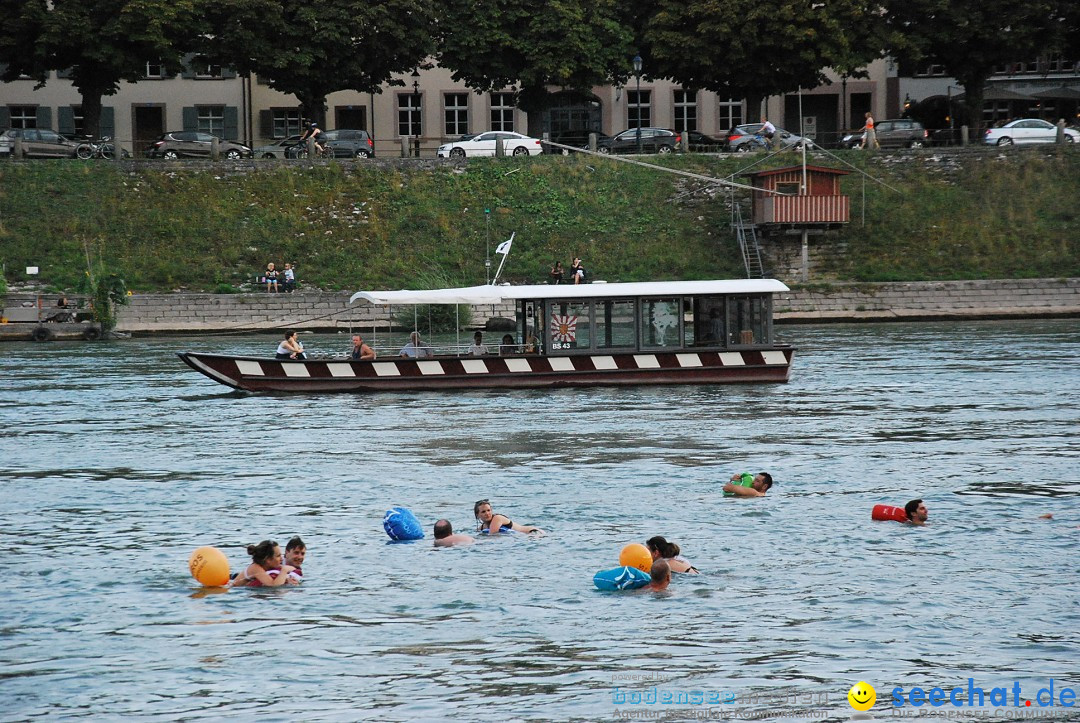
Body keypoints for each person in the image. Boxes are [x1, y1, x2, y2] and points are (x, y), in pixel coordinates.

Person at [229, 540, 298, 588]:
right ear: (268, 559)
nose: (282, 559)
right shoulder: (255, 568)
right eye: (278, 556)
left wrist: (287, 579)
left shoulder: (269, 566)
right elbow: (273, 585)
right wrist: (284, 571)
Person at [474, 499, 543, 534]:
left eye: (489, 510)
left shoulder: (497, 518)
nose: (487, 513)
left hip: (532, 533)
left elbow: (492, 535)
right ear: (478, 515)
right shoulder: (482, 527)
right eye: (483, 512)